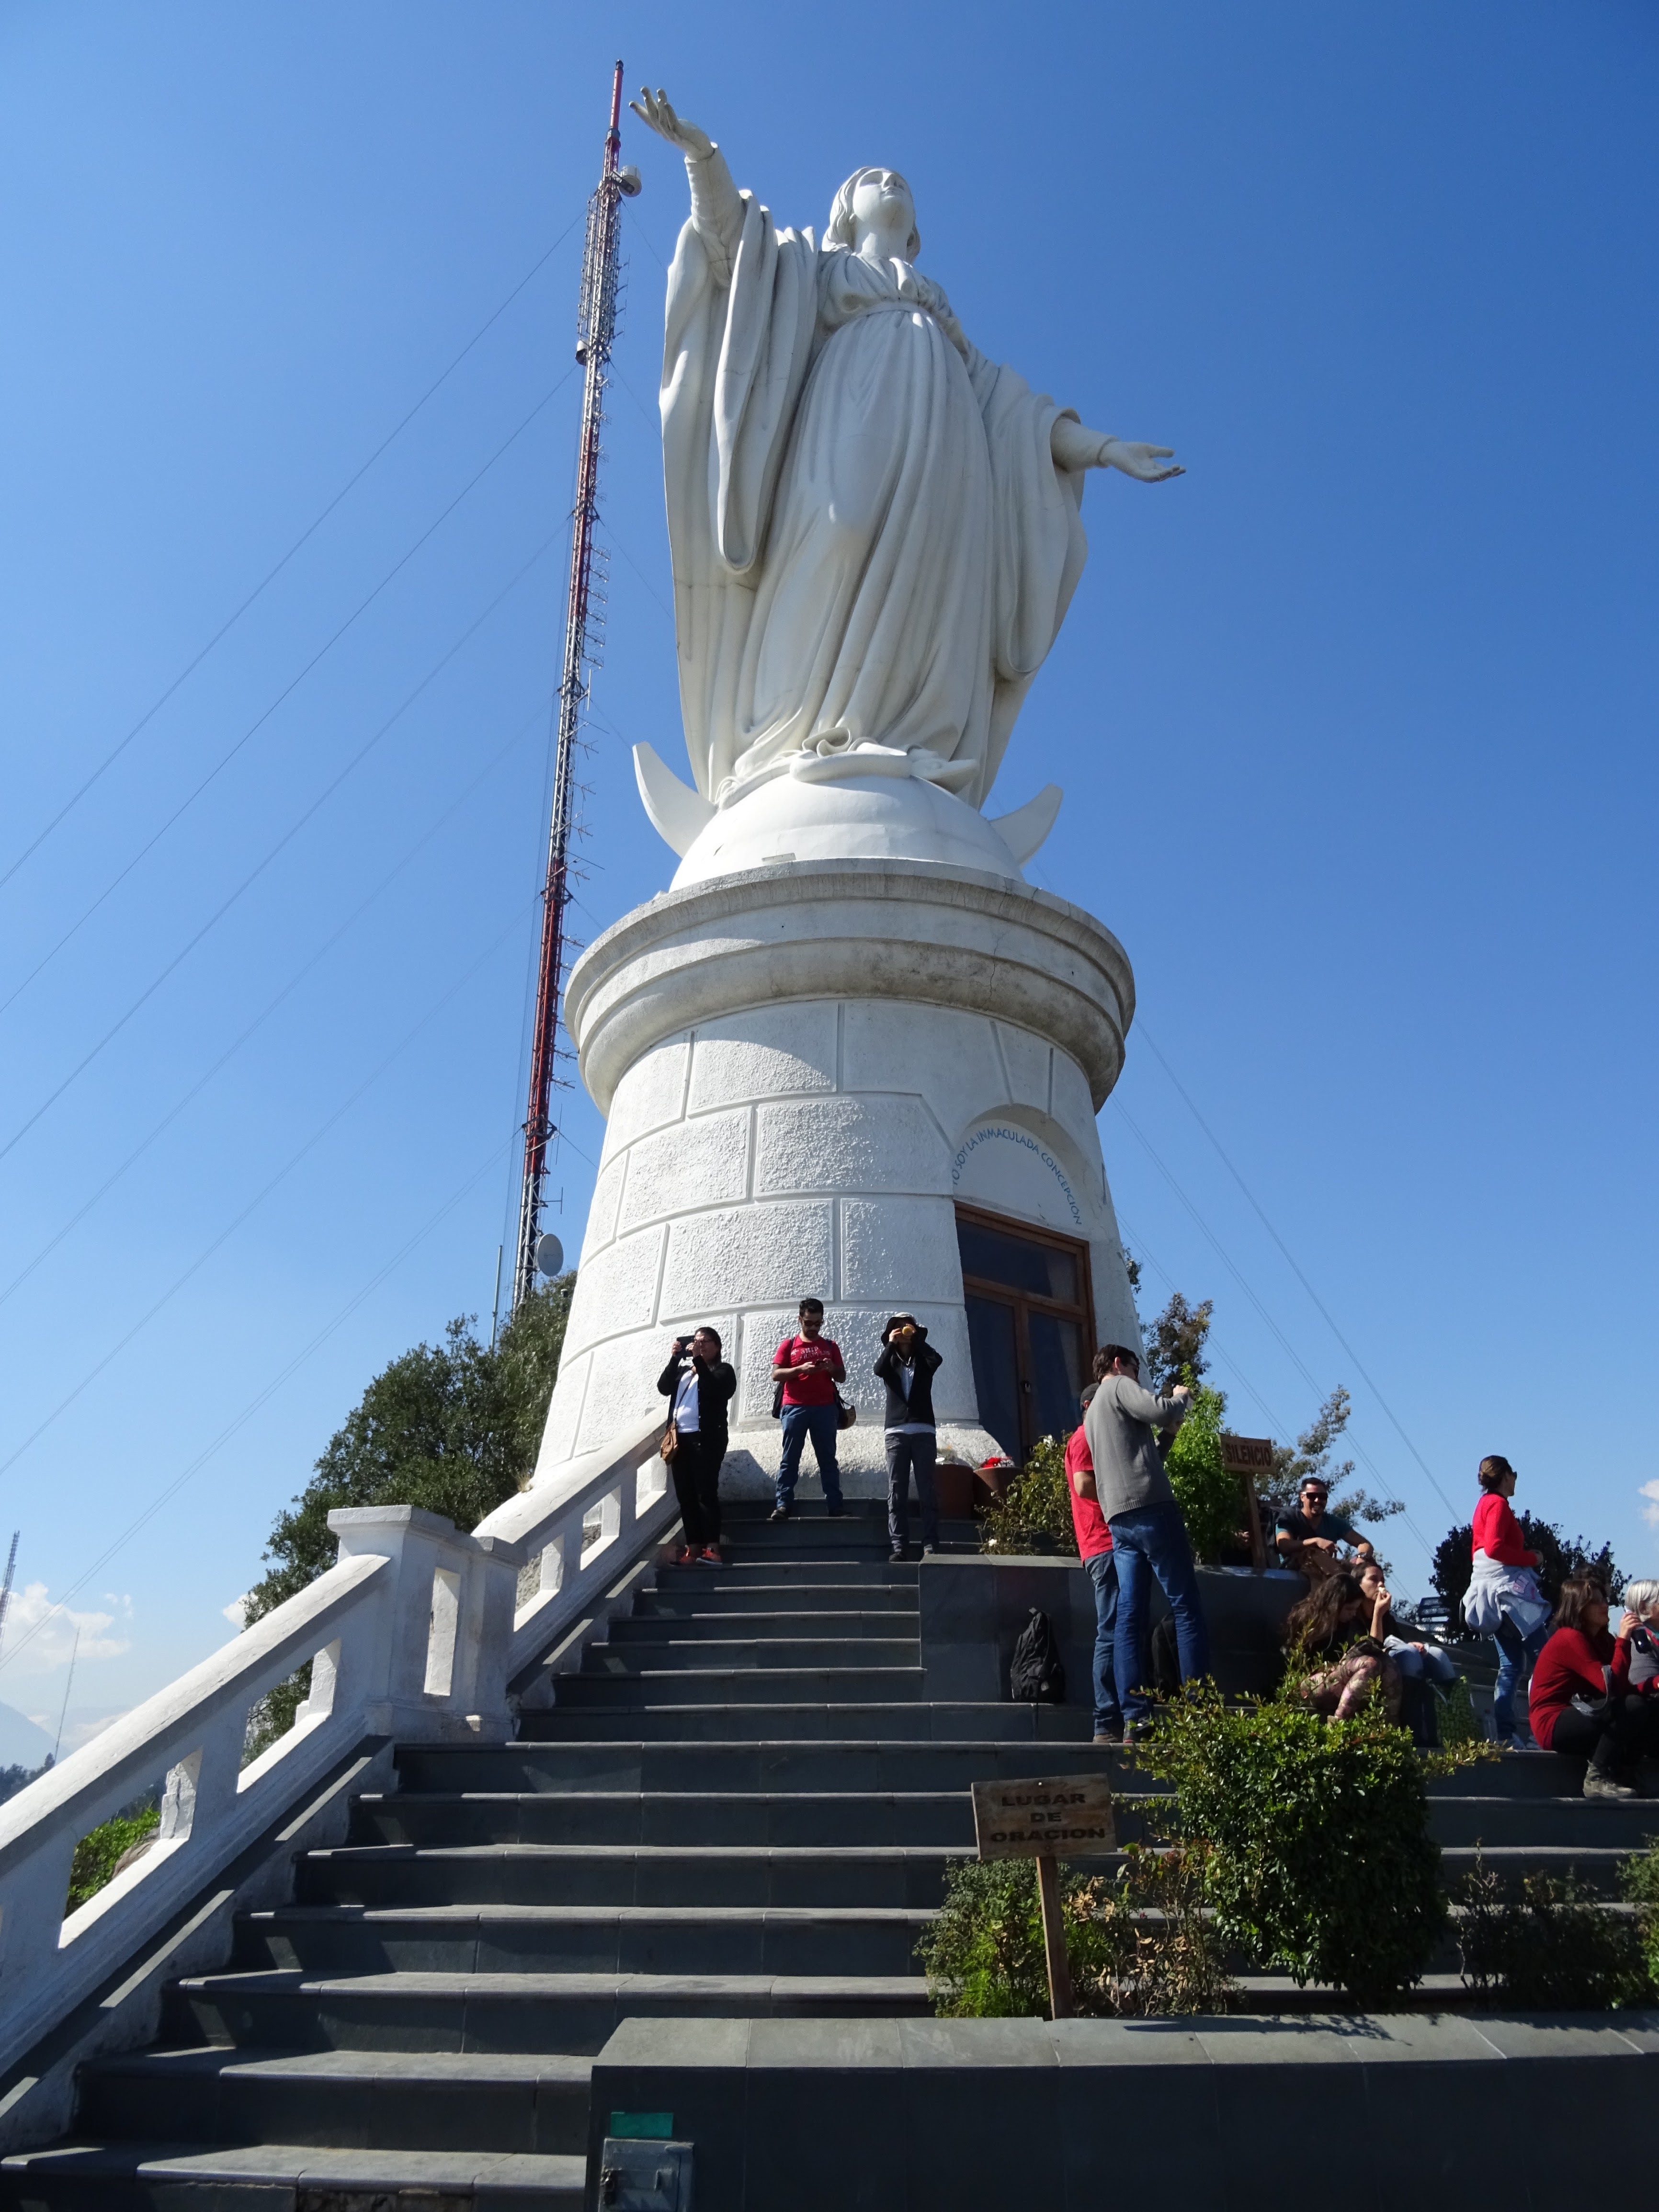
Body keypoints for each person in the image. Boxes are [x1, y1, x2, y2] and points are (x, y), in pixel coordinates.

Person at [1081, 1345, 1210, 1738]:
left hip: (1119, 1519)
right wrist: (1181, 1398)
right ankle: (1200, 1713)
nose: (1138, 1378)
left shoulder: (1091, 1418)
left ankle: (1135, 1718)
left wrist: (1169, 1437)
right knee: (1186, 1607)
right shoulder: (1118, 1385)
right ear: (1119, 1364)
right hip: (1153, 1509)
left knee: (1129, 1618)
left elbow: (1146, 1455)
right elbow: (1162, 1409)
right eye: (1137, 1369)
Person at [1528, 1573, 1659, 1799]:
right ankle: (1596, 1778)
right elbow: (1610, 1686)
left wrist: (1655, 1686)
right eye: (1596, 1601)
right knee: (1633, 1707)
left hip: (1584, 1711)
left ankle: (1624, 1774)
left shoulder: (1602, 1639)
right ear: (1579, 1607)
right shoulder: (1569, 1638)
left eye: (1604, 1599)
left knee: (1650, 1707)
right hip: (1553, 1721)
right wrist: (1624, 1640)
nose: (1605, 1605)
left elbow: (1626, 1686)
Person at [1461, 1454, 1550, 1750]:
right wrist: (1532, 1558)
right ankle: (1545, 1729)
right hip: (1508, 1593)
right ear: (1506, 1476)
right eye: (1514, 1475)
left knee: (1511, 1665)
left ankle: (1505, 1734)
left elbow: (1482, 1550)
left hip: (1488, 1593)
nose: (1515, 1482)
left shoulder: (1483, 1505)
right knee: (1549, 1659)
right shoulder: (1498, 1504)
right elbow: (1497, 1548)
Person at [1065, 1382, 1123, 1746]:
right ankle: (1106, 1719)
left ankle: (1118, 1716)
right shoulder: (1085, 1436)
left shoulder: (1094, 1437)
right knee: (1113, 1631)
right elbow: (1084, 1485)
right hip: (1104, 1545)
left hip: (1109, 1545)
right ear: (1090, 1405)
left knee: (1121, 1630)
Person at [656, 1326, 738, 1565]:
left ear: (718, 1346)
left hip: (706, 1441)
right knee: (686, 1496)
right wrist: (674, 1359)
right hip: (680, 1441)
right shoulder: (684, 1372)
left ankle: (712, 1547)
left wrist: (699, 1362)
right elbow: (664, 1388)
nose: (700, 1344)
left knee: (705, 1493)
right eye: (696, 1340)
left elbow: (717, 1390)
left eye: (706, 1341)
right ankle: (693, 1549)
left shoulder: (723, 1370)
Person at [1283, 1568, 1403, 1723]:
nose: (1353, 1614)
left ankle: (1387, 1726)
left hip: (1335, 1678)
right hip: (1307, 1683)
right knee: (1370, 1663)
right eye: (1349, 1609)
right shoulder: (1309, 1620)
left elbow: (1372, 1647)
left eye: (1355, 1609)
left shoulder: (1346, 1624)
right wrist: (1378, 1615)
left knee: (1388, 1663)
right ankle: (1338, 1724)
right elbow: (1297, 1660)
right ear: (1335, 1605)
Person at [1358, 1557, 1456, 1745]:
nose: (1380, 1584)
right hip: (1373, 1663)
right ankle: (1414, 1734)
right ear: (1359, 1585)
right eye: (1373, 1579)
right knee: (1411, 1659)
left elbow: (1396, 1640)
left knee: (1438, 1656)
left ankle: (1452, 1724)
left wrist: (1411, 1645)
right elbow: (1373, 1648)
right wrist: (1378, 1614)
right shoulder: (1355, 1613)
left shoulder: (1387, 1615)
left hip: (1391, 1655)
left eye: (1383, 1580)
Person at [873, 1314, 942, 1560]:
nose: (902, 1332)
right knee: (897, 1491)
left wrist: (918, 1338)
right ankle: (899, 1545)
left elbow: (938, 1360)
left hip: (923, 1430)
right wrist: (890, 1344)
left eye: (906, 1328)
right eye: (898, 1329)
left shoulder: (923, 1360)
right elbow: (877, 1370)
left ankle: (930, 1543)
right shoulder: (890, 1362)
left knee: (927, 1490)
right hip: (896, 1433)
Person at [770, 1298, 846, 1520]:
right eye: (809, 1323)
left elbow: (842, 1377)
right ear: (800, 1319)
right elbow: (776, 1374)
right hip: (795, 1406)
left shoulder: (830, 1346)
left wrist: (831, 1367)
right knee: (790, 1457)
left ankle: (835, 1505)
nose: (813, 1328)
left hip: (824, 1408)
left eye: (818, 1323)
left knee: (828, 1459)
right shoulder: (789, 1345)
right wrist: (800, 1368)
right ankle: (783, 1504)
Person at [1273, 1477, 1359, 1573]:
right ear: (1302, 1497)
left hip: (1326, 1574)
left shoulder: (1334, 1522)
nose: (1318, 1500)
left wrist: (1362, 1557)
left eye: (1322, 1497)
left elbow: (1363, 1544)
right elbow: (1284, 1544)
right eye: (1312, 1496)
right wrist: (1316, 1541)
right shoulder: (1289, 1516)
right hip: (1293, 1574)